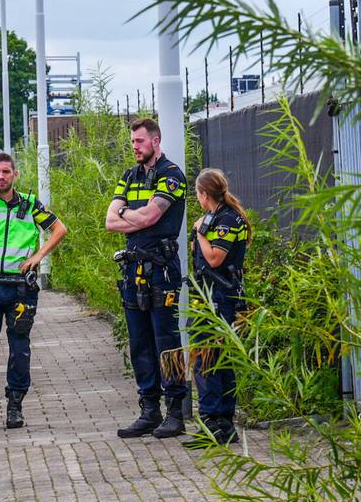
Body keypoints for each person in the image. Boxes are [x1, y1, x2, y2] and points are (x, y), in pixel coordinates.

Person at [0, 152, 68, 430]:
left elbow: (59, 229)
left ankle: (15, 406)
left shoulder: (30, 203)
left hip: (20, 287)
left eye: (5, 172)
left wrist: (38, 257)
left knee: (19, 348)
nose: (0, 177)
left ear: (15, 174)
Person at [105, 118, 189, 439]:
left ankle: (175, 412)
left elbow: (152, 215)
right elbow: (109, 222)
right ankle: (149, 410)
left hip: (162, 269)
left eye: (139, 141)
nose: (135, 147)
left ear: (155, 141)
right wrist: (133, 217)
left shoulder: (171, 175)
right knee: (139, 342)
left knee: (166, 341)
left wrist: (126, 214)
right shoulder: (130, 176)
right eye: (132, 142)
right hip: (133, 270)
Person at [188, 168, 251, 445]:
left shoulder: (226, 220)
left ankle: (212, 422)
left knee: (208, 359)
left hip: (218, 297)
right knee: (219, 360)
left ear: (204, 194)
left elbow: (215, 258)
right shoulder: (219, 216)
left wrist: (200, 233)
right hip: (210, 295)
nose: (197, 198)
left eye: (197, 194)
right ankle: (224, 424)